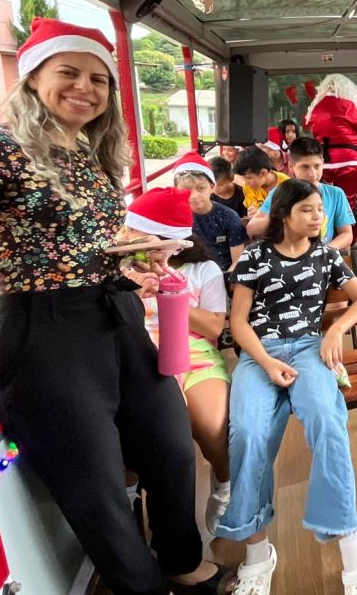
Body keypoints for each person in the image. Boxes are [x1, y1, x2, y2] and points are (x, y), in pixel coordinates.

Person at [0, 18, 233, 595]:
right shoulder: (1, 149)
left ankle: (180, 558)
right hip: (45, 331)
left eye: (99, 79)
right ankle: (142, 587)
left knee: (169, 441)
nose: (86, 88)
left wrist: (133, 262)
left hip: (115, 313)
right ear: (33, 77)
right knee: (94, 480)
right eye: (68, 73)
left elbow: (89, 241)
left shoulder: (89, 152)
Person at [220, 179, 357, 595]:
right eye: (307, 210)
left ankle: (351, 545)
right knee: (248, 432)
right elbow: (238, 321)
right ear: (283, 214)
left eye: (319, 210)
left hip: (310, 348)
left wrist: (335, 331)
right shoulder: (256, 256)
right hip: (261, 352)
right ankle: (258, 553)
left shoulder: (325, 254)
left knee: (328, 423)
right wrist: (266, 361)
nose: (317, 217)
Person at [121, 187, 232, 537]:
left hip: (195, 353)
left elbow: (213, 327)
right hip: (138, 355)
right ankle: (134, 510)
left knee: (212, 427)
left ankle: (224, 482)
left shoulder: (203, 269)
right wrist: (131, 289)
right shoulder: (119, 274)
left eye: (152, 243)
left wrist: (171, 292)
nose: (139, 247)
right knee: (151, 434)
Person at [246, 137, 355, 251]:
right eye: (305, 167)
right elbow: (252, 229)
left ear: (323, 163)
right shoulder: (281, 192)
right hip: (288, 257)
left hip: (323, 257)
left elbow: (346, 234)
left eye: (317, 166)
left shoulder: (336, 194)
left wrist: (323, 251)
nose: (312, 174)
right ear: (291, 167)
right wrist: (282, 211)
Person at [305, 74, 357, 210]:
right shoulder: (346, 105)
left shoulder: (316, 108)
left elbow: (313, 130)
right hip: (348, 159)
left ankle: (328, 223)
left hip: (324, 160)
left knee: (326, 202)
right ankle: (346, 224)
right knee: (347, 202)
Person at [173, 152, 247, 271]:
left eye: (201, 188)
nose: (194, 196)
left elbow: (237, 262)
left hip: (222, 273)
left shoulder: (229, 217)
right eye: (186, 190)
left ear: (212, 187)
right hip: (184, 275)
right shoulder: (172, 219)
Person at [234, 147, 289, 219]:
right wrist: (252, 214)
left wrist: (263, 214)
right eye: (244, 178)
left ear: (263, 173)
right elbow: (251, 213)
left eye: (249, 178)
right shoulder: (248, 188)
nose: (246, 182)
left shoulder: (286, 184)